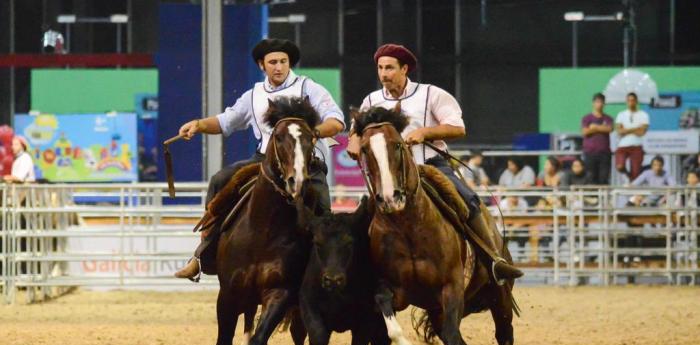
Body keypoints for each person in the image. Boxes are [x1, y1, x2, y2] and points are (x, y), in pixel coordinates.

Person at [348, 43, 522, 282]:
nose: (383, 74)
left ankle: (493, 260)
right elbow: (357, 130)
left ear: (404, 69)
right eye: (380, 68)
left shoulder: (431, 94)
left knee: (467, 200)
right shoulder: (371, 100)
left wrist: (426, 133)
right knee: (362, 216)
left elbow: (458, 127)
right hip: (390, 174)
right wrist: (354, 142)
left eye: (389, 68)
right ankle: (359, 271)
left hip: (430, 165)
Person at [175, 38, 345, 280]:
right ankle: (202, 254)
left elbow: (336, 121)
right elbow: (226, 121)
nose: (279, 67)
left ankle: (329, 267)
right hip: (264, 159)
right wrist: (199, 124)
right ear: (261, 65)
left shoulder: (309, 88)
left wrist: (313, 133)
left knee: (321, 202)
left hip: (305, 162)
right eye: (273, 62)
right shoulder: (253, 95)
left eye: (283, 62)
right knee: (219, 180)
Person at [615, 92, 649, 182]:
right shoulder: (621, 115)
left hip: (637, 145)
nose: (631, 102)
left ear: (636, 101)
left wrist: (626, 130)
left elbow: (642, 132)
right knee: (619, 166)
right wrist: (635, 128)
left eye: (633, 100)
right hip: (622, 146)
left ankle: (634, 191)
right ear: (626, 102)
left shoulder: (643, 115)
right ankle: (627, 175)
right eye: (629, 100)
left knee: (636, 172)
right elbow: (619, 131)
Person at [581, 92, 613, 184]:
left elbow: (609, 129)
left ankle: (604, 198)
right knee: (591, 178)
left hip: (604, 153)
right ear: (593, 103)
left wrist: (594, 127)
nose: (599, 104)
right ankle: (592, 198)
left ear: (604, 104)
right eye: (597, 102)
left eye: (601, 102)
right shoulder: (587, 118)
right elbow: (585, 131)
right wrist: (601, 128)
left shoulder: (608, 118)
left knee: (604, 178)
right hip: (590, 153)